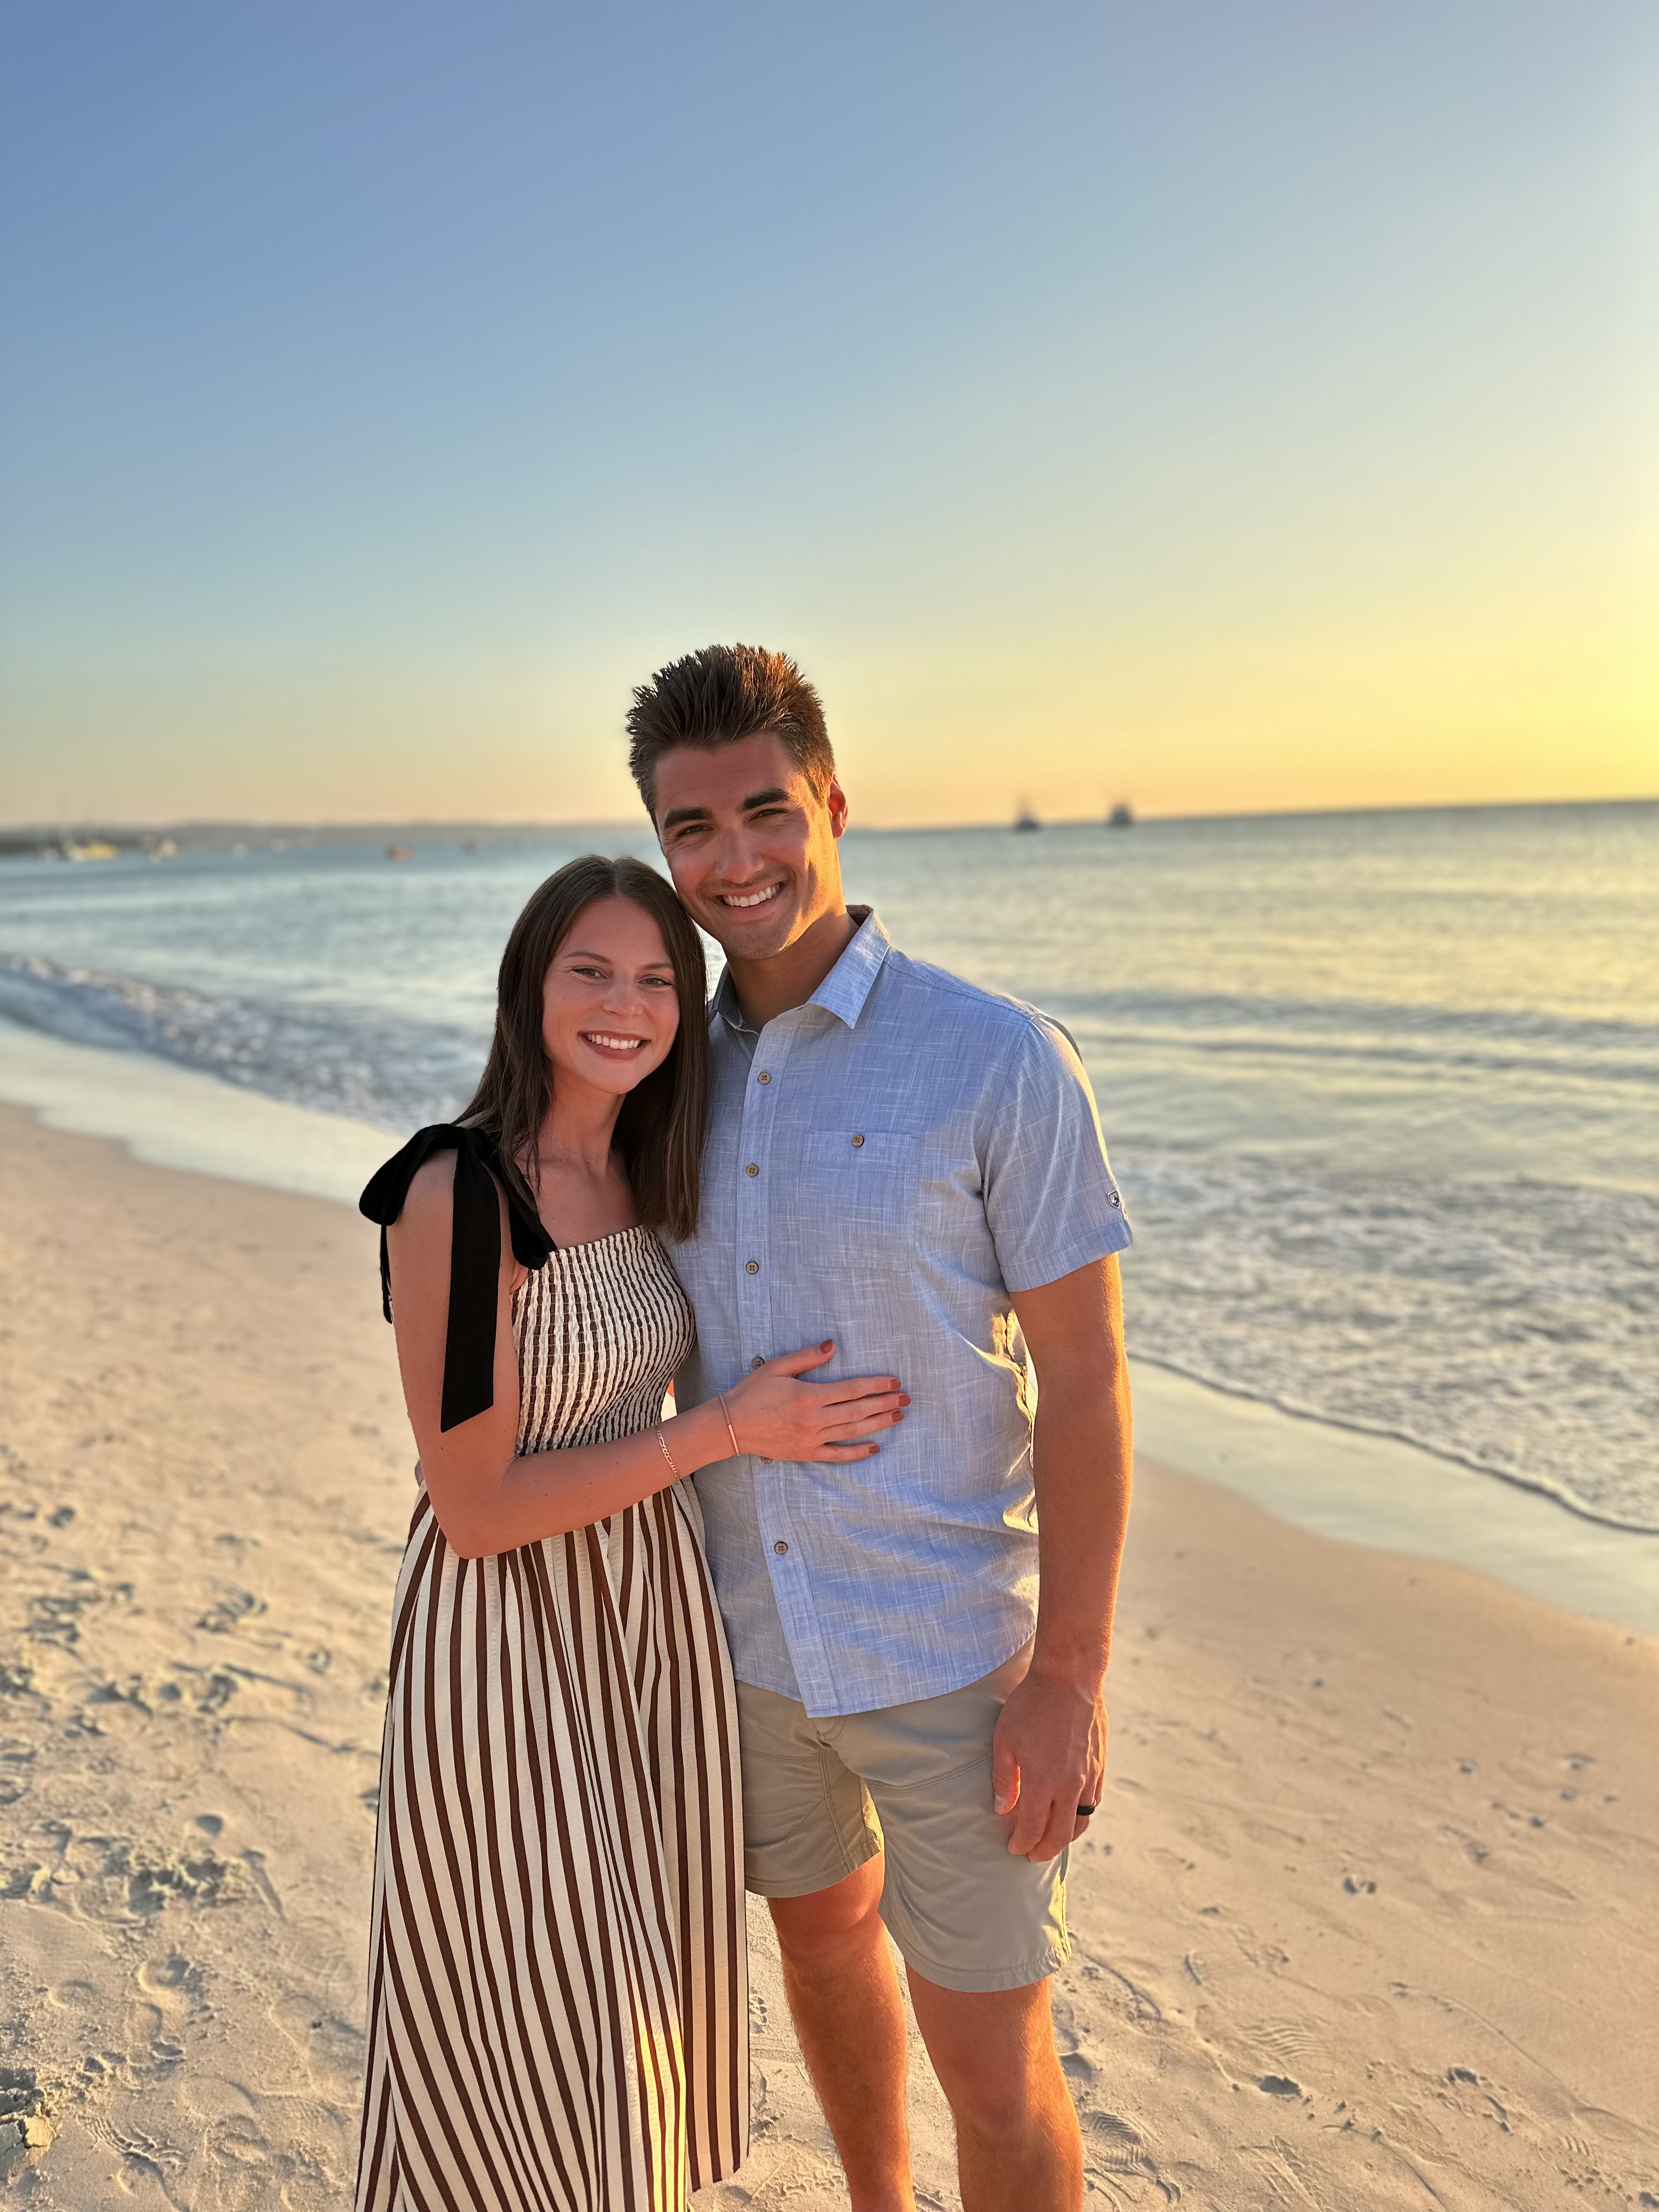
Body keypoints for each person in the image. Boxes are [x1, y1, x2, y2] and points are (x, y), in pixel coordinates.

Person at [625, 648, 1135, 2212]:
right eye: (691, 830)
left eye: (766, 812)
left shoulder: (993, 1057)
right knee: (827, 1959)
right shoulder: (656, 1073)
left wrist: (1068, 1679)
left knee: (993, 2071)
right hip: (753, 1652)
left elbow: (1090, 1380)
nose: (735, 862)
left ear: (833, 802)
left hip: (945, 1660)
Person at [353, 854, 909, 2212]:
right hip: (509, 1642)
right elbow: (474, 1507)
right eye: (591, 972)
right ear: (530, 986)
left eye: (660, 978)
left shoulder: (655, 1172)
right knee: (543, 1997)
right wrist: (727, 1431)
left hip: (649, 1630)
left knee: (642, 1999)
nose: (628, 1005)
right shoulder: (461, 1195)